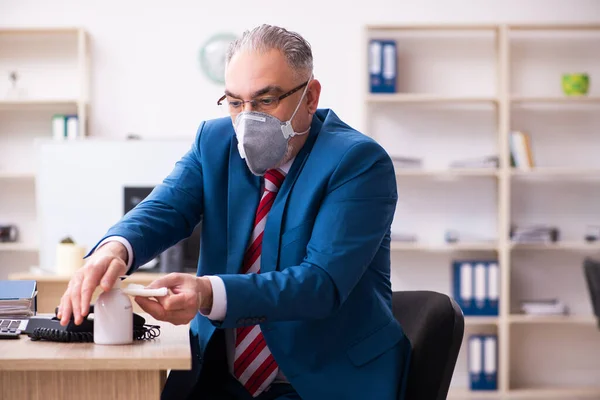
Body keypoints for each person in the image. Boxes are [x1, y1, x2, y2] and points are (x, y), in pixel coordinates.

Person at [57, 24, 412, 400]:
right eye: (235, 102)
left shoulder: (357, 162)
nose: (248, 120)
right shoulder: (214, 142)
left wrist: (208, 293)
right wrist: (115, 249)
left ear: (310, 97)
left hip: (322, 382)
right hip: (219, 377)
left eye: (265, 100)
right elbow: (166, 207)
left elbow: (319, 285)